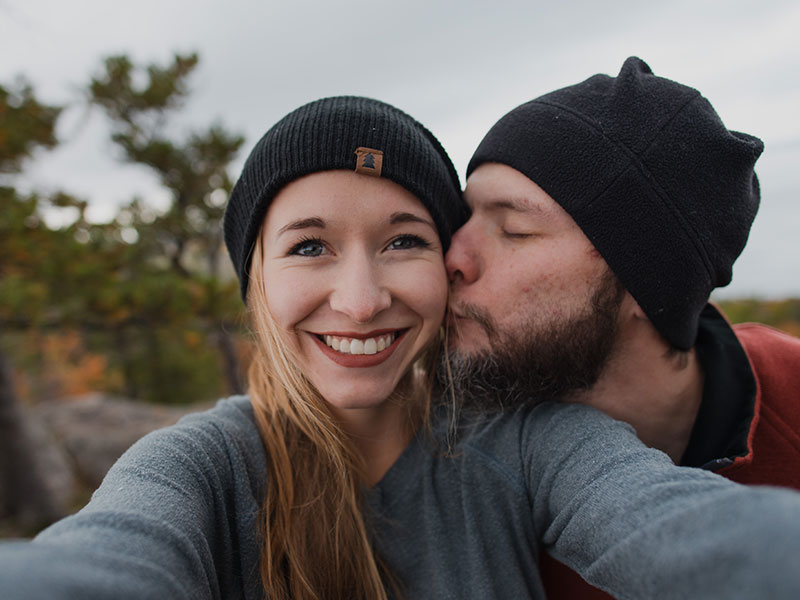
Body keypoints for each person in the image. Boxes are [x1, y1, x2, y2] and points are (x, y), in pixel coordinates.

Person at [2, 94, 800, 600]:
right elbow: (103, 562)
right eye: (309, 247)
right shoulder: (198, 470)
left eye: (406, 241)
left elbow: (675, 529)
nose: (358, 298)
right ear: (255, 281)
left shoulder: (529, 442)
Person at [447, 56, 800, 598]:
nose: (453, 258)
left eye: (513, 229)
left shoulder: (792, 396)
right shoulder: (442, 466)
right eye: (462, 219)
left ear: (645, 279)